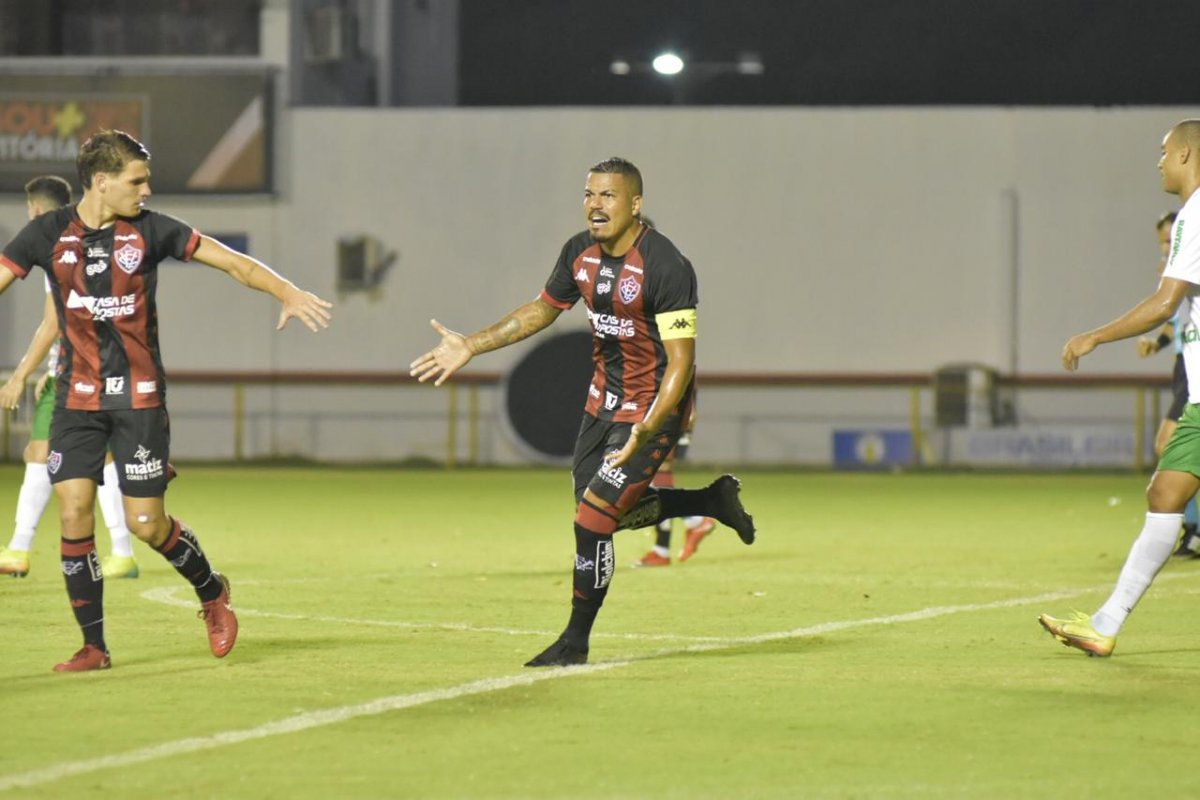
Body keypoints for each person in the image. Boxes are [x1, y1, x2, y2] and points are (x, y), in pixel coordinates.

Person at [0, 130, 333, 672]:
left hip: (138, 399)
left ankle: (212, 591)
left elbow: (233, 262)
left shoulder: (152, 230)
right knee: (74, 510)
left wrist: (287, 292)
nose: (147, 190)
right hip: (76, 399)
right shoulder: (46, 233)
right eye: (137, 180)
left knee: (146, 524)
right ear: (101, 182)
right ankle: (94, 647)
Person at [411, 157, 756, 667]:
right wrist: (471, 345)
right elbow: (541, 310)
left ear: (635, 204)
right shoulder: (579, 253)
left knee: (593, 518)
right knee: (607, 516)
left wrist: (649, 427)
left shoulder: (666, 265)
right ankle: (710, 500)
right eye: (589, 194)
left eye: (608, 195)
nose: (595, 204)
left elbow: (681, 361)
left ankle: (574, 642)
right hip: (601, 406)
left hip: (651, 409)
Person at [1040, 119, 1200, 657]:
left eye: (1164, 152)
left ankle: (1105, 624)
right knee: (1165, 495)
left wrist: (1094, 336)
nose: (1158, 162)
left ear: (1186, 154)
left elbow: (1163, 303)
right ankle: (1104, 625)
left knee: (1165, 495)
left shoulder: (1195, 213)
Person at [0, 176, 139, 580]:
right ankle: (122, 551)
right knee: (99, 457)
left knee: (39, 453)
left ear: (35, 210)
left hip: (75, 370)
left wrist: (21, 376)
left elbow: (53, 323)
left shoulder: (56, 244)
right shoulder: (96, 238)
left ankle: (18, 549)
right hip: (108, 366)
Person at [1136, 210, 1200, 555]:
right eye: (1161, 241)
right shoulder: (1175, 266)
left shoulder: (1187, 260)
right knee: (1173, 448)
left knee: (1167, 445)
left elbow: (1166, 310)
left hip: (1193, 367)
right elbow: (1175, 319)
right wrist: (1157, 344)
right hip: (1183, 363)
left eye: (1168, 239)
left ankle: (1194, 528)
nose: (1165, 246)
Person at [633, 429, 716, 566]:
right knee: (652, 486)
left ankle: (695, 521)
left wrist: (684, 431)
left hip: (662, 427)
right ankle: (694, 522)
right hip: (661, 426)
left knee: (657, 477)